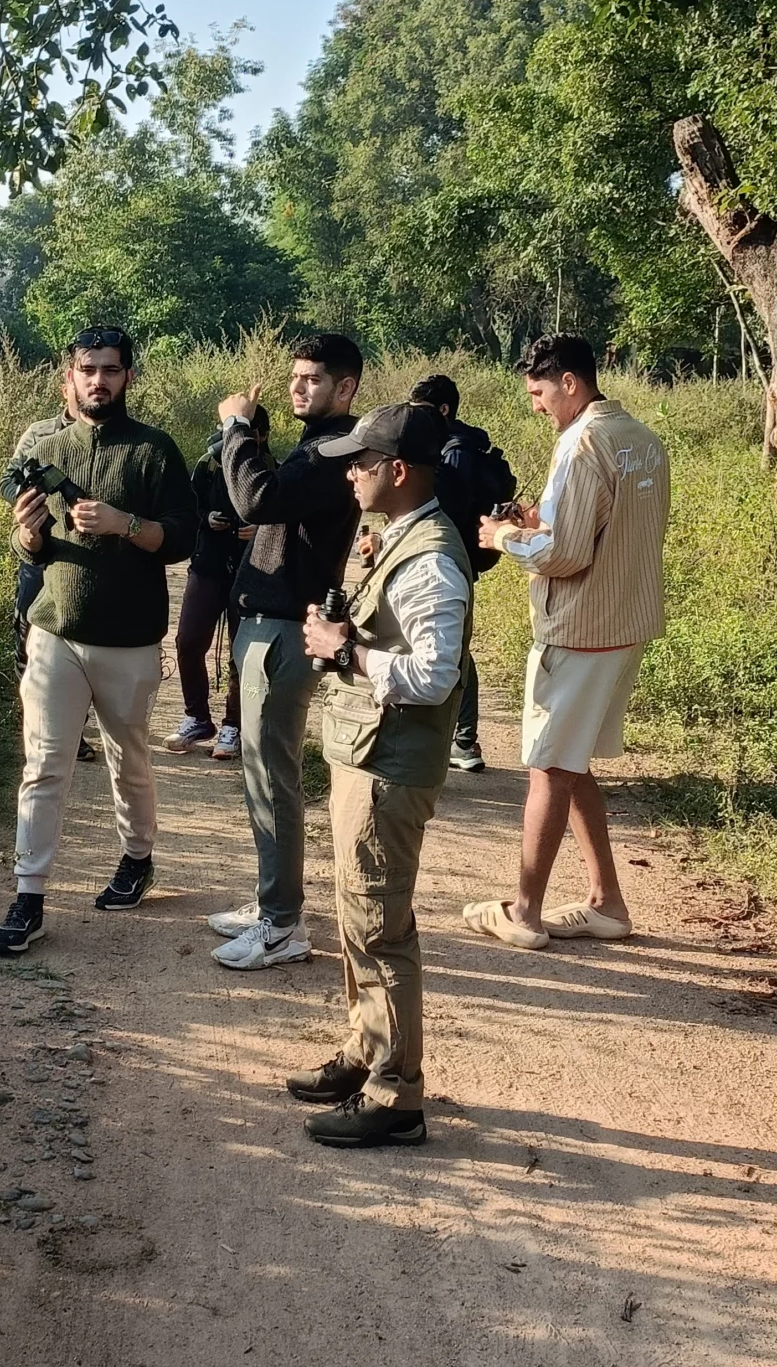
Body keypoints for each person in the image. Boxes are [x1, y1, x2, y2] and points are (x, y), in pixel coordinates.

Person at [285, 403, 472, 1148]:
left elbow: (434, 674)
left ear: (397, 471)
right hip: (369, 754)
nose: (350, 474)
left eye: (361, 462)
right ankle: (367, 1052)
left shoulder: (429, 559)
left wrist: (345, 651)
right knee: (358, 914)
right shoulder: (399, 536)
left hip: (391, 764)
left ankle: (396, 1096)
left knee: (380, 926)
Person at [0, 326, 196, 955]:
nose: (98, 381)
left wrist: (123, 523)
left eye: (110, 369)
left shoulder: (154, 450)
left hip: (129, 639)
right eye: (88, 370)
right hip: (55, 631)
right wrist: (28, 534)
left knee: (127, 759)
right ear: (69, 377)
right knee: (44, 764)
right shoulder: (45, 448)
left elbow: (182, 539)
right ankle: (29, 897)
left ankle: (137, 858)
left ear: (128, 376)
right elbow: (28, 546)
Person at [463, 332, 670, 952]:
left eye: (538, 392)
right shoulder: (641, 437)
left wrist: (503, 536)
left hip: (580, 630)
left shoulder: (580, 445)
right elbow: (601, 531)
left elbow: (566, 554)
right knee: (572, 763)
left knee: (549, 766)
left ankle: (524, 912)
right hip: (625, 624)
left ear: (570, 383)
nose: (536, 405)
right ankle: (607, 901)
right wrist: (539, 524)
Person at [207, 330, 363, 970]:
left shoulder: (331, 450)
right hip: (270, 623)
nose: (298, 386)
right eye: (295, 376)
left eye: (313, 378)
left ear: (345, 387)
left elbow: (256, 498)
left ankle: (281, 925)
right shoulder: (318, 446)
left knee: (272, 779)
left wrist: (238, 429)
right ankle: (275, 902)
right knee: (262, 775)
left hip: (281, 630)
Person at [409, 372, 517, 773]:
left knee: (453, 647)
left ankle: (464, 741)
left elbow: (449, 512)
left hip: (449, 560)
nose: (414, 418)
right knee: (451, 644)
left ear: (443, 410)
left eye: (421, 410)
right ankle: (460, 739)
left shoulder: (455, 452)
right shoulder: (460, 445)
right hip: (453, 560)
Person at [169, 404, 272, 761]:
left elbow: (288, 518)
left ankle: (234, 725)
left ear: (262, 435)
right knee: (188, 640)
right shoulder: (209, 463)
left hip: (252, 571)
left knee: (240, 652)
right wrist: (206, 518)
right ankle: (197, 717)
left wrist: (261, 529)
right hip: (208, 564)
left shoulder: (272, 469)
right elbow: (186, 508)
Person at [7, 411, 96, 762]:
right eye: (77, 383)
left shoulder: (106, 434)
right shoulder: (39, 433)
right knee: (27, 637)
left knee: (80, 642)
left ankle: (73, 731)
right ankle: (32, 721)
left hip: (79, 555)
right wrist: (27, 498)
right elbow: (8, 481)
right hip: (37, 549)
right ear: (67, 387)